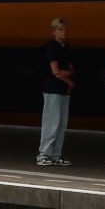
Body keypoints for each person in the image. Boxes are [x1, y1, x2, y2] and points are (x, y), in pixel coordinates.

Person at [37, 17, 74, 166]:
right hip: (53, 88)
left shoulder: (66, 47)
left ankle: (56, 154)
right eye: (60, 29)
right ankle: (44, 154)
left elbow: (70, 69)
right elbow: (56, 72)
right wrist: (69, 80)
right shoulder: (51, 47)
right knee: (51, 122)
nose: (64, 32)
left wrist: (66, 76)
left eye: (65, 29)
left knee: (61, 123)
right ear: (54, 32)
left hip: (62, 89)